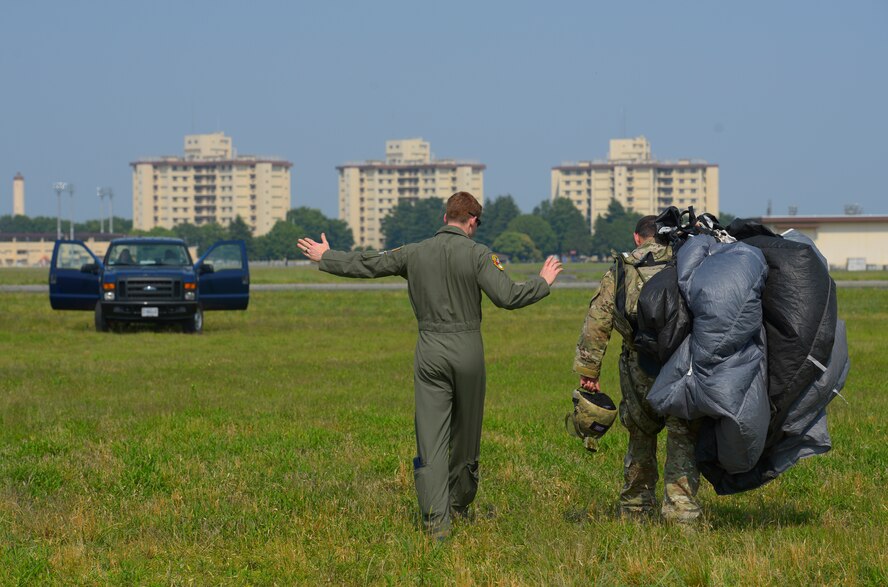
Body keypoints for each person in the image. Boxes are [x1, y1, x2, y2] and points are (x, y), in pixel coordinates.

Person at [298, 192, 562, 539]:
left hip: (429, 349)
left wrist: (326, 257)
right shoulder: (478, 254)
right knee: (465, 437)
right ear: (472, 222)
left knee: (431, 438)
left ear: (444, 218)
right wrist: (542, 281)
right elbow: (508, 297)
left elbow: (368, 265)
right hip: (468, 350)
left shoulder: (414, 252)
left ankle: (437, 524)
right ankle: (459, 505)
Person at [574, 215, 702, 524]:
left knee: (641, 436)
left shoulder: (621, 269)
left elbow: (598, 321)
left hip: (636, 368)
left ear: (637, 238)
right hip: (682, 366)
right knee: (681, 435)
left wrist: (588, 372)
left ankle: (635, 510)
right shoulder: (686, 262)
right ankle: (681, 513)